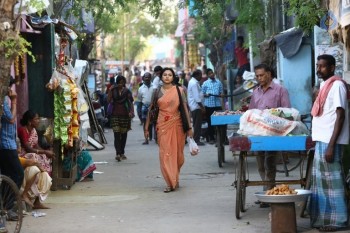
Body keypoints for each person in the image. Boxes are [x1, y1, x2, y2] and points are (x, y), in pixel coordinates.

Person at [309, 54, 349, 232]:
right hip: (322, 139)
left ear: (332, 67)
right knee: (322, 183)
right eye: (318, 66)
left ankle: (338, 220)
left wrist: (332, 145)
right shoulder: (325, 85)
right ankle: (324, 219)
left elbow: (341, 116)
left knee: (333, 183)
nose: (319, 69)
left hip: (330, 141)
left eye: (323, 66)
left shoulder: (338, 85)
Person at [144, 68, 193, 193]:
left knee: (178, 156)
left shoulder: (179, 90)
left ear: (173, 77)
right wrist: (146, 127)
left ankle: (174, 178)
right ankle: (170, 182)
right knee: (165, 155)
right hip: (162, 126)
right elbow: (151, 110)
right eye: (164, 75)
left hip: (178, 125)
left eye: (169, 75)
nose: (167, 77)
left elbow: (185, 110)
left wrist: (189, 127)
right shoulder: (156, 92)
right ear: (161, 77)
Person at [248, 64, 290, 207]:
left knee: (269, 163)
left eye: (261, 75)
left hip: (274, 133)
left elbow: (287, 112)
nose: (259, 78)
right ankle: (267, 190)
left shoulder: (280, 90)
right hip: (259, 133)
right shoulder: (256, 92)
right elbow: (251, 111)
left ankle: (268, 194)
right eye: (257, 76)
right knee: (260, 163)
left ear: (269, 75)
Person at [0, 77, 24, 222]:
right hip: (5, 145)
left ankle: (5, 209)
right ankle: (7, 207)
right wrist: (14, 100)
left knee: (9, 176)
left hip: (9, 144)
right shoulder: (3, 101)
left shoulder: (4, 99)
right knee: (18, 174)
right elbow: (11, 119)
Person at [17, 110, 55, 176]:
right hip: (22, 154)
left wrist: (46, 152)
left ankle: (44, 177)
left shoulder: (33, 130)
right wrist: (45, 152)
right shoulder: (23, 130)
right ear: (29, 121)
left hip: (30, 152)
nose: (38, 121)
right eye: (36, 119)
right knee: (35, 156)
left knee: (44, 157)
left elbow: (36, 146)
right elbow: (28, 149)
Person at [107, 75, 134, 162]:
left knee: (124, 134)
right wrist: (110, 90)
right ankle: (118, 153)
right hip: (115, 114)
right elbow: (108, 100)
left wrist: (131, 112)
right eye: (119, 82)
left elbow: (130, 102)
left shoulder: (127, 91)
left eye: (122, 82)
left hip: (125, 114)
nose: (120, 84)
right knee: (116, 134)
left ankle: (122, 152)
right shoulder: (113, 90)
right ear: (117, 82)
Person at [201, 68, 224, 144]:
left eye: (212, 73)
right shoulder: (205, 83)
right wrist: (206, 95)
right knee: (210, 122)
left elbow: (221, 92)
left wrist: (221, 95)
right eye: (210, 73)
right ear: (207, 75)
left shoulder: (218, 82)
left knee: (220, 122)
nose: (212, 74)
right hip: (209, 106)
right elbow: (202, 94)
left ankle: (220, 137)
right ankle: (211, 138)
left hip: (217, 105)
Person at [187, 69, 205, 146]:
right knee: (197, 124)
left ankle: (196, 138)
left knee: (197, 123)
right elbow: (196, 97)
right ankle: (196, 140)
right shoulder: (194, 83)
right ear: (197, 75)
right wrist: (202, 107)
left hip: (195, 106)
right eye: (200, 75)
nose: (201, 77)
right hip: (196, 106)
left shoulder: (193, 82)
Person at [138, 72, 154, 145]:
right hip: (145, 106)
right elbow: (140, 100)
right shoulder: (141, 88)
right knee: (145, 123)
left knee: (153, 123)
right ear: (143, 78)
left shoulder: (154, 87)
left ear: (151, 78)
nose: (147, 78)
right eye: (146, 77)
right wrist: (139, 112)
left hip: (153, 107)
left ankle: (153, 137)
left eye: (148, 77)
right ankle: (146, 139)